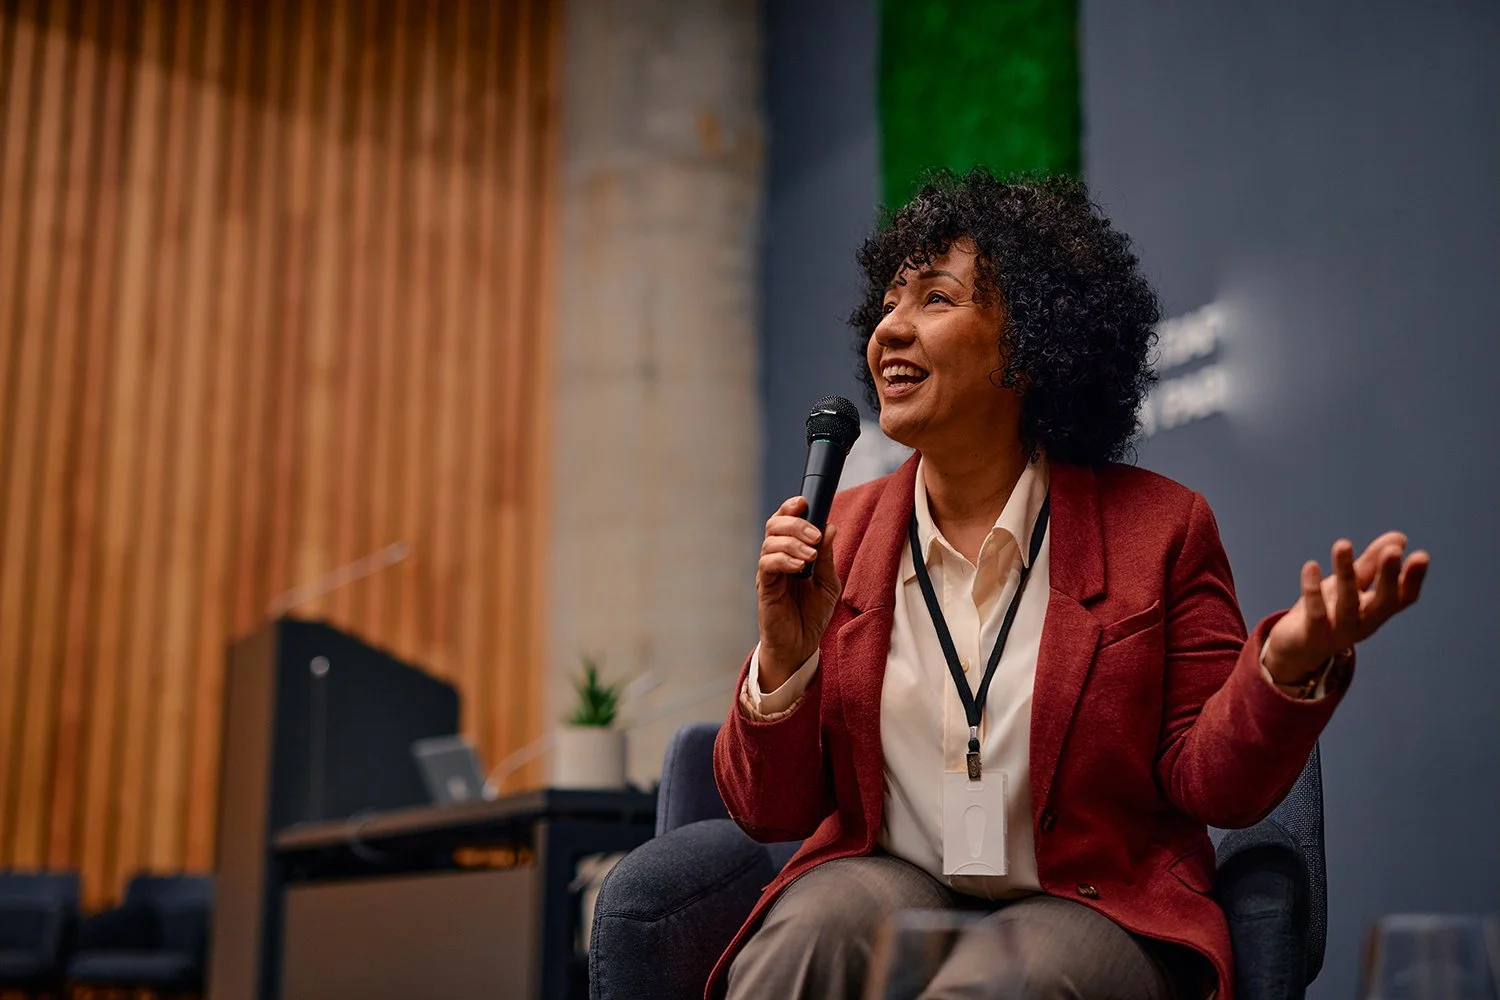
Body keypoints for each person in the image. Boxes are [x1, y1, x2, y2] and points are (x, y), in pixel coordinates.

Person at [709, 169, 1428, 1000]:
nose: (889, 330)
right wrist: (784, 660)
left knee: (995, 985)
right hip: (894, 868)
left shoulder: (1160, 529)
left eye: (935, 300)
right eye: (888, 302)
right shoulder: (842, 533)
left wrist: (1289, 665)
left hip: (1091, 897)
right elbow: (769, 811)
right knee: (793, 946)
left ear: (1031, 342)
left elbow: (1213, 784)